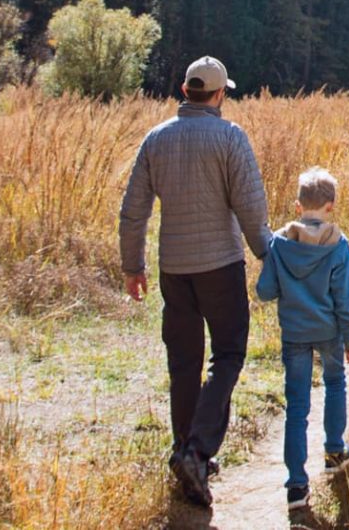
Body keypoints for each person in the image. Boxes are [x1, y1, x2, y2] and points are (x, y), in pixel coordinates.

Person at [118, 56, 271, 508]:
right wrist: (270, 257)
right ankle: (198, 450)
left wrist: (133, 266)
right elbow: (251, 208)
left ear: (186, 91)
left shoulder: (156, 140)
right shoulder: (230, 137)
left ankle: (183, 449)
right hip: (221, 266)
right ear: (220, 94)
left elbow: (133, 211)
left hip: (174, 270)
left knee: (183, 361)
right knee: (228, 354)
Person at [257, 165, 349, 511]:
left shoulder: (279, 244)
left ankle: (296, 485)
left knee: (296, 406)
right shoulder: (338, 245)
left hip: (294, 334)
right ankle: (334, 450)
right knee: (334, 384)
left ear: (298, 205)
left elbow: (265, 290)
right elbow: (346, 298)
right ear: (331, 206)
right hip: (330, 332)